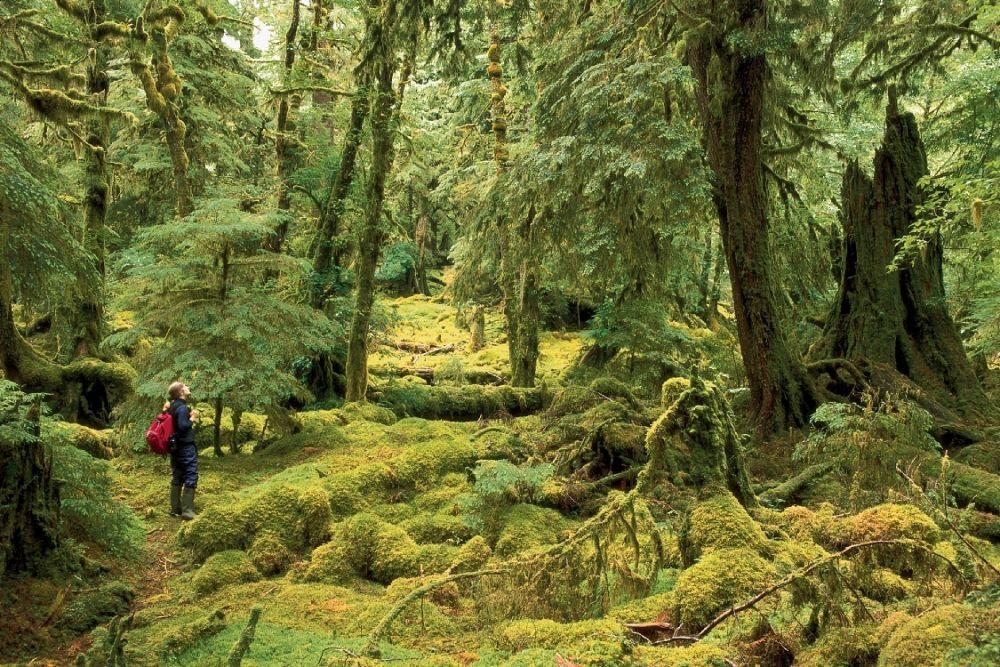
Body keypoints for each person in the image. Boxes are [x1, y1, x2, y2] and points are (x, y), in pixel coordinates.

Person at [165, 381, 200, 520]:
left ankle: (175, 508)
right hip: (185, 446)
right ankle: (187, 511)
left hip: (175, 447)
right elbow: (183, 426)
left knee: (178, 474)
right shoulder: (182, 408)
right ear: (181, 392)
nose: (188, 387)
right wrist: (192, 418)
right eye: (185, 386)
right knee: (191, 474)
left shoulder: (172, 407)